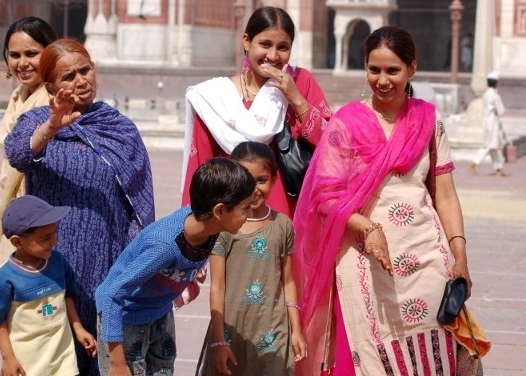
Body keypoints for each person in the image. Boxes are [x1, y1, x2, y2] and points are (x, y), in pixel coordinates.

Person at [292, 26, 472, 375]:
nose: (383, 80)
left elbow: (446, 195)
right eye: (374, 70)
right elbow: (324, 195)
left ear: (412, 69)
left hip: (425, 255)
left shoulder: (428, 119)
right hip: (363, 256)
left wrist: (460, 255)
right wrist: (365, 226)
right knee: (370, 355)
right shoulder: (347, 122)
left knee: (435, 350)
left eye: (393, 70)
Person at [5, 37, 155, 376]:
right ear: (50, 85)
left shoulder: (119, 127)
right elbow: (18, 154)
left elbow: (140, 198)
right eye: (68, 76)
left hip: (108, 258)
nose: (80, 81)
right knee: (55, 355)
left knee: (104, 349)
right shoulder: (37, 121)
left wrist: (138, 260)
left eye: (84, 71)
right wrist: (52, 126)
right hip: (54, 261)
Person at [94, 157, 256, 375]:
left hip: (160, 315)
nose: (249, 215)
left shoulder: (209, 225)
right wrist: (117, 362)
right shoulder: (164, 246)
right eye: (245, 208)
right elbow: (112, 295)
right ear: (219, 211)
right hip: (125, 321)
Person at [181, 6, 331, 220]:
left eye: (283, 47)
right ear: (246, 41)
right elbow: (201, 170)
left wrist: (296, 99)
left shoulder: (300, 82)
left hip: (288, 214)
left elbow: (331, 144)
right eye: (265, 44)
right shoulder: (214, 98)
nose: (273, 55)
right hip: (230, 217)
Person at [196, 142, 307, 376]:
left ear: (274, 180)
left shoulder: (283, 225)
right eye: (245, 178)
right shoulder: (223, 226)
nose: (253, 188)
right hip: (231, 332)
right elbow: (217, 287)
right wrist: (218, 341)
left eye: (261, 180)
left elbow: (287, 282)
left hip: (273, 333)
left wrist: (296, 329)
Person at [0, 195, 97, 376]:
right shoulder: (3, 278)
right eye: (45, 238)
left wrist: (78, 328)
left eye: (54, 234)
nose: (54, 242)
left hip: (62, 358)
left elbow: (67, 296)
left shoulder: (58, 262)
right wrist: (8, 358)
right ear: (17, 242)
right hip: (27, 362)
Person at [0, 16, 58, 274]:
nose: (22, 63)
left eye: (32, 54)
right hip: (15, 204)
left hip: (40, 214)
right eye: (14, 55)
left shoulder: (54, 101)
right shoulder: (18, 96)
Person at [468, 71, 510, 177]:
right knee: (487, 146)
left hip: (487, 122)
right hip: (493, 124)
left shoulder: (486, 94)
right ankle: (473, 164)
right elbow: (501, 110)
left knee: (493, 146)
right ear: (497, 83)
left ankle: (498, 169)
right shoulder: (495, 96)